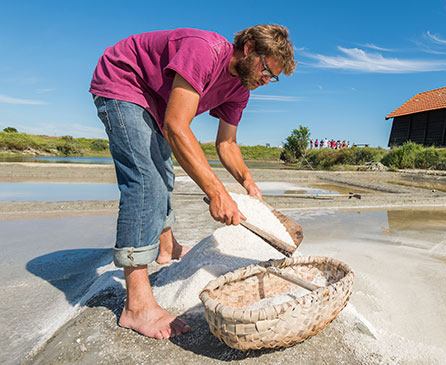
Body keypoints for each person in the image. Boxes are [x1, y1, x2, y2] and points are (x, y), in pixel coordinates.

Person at [89, 25, 296, 339]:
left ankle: (167, 246)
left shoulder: (241, 88)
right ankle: (137, 306)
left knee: (164, 174)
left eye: (273, 78)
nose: (266, 80)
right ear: (248, 47)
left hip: (156, 101)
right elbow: (176, 125)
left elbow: (226, 143)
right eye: (266, 69)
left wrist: (247, 181)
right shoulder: (205, 50)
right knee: (146, 181)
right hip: (125, 79)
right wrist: (216, 192)